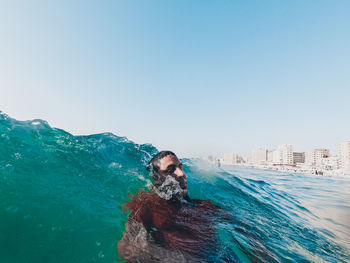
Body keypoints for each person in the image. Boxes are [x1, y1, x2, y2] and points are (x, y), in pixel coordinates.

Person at [117, 151, 221, 262]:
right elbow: (127, 249)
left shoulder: (204, 206)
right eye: (170, 170)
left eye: (180, 167)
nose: (181, 173)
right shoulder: (148, 205)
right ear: (155, 177)